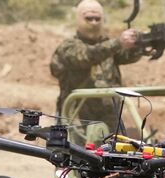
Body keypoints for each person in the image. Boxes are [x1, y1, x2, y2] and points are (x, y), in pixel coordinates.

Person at [50, 0, 143, 131]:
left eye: (97, 18)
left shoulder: (109, 46)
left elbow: (127, 55)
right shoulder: (68, 47)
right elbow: (87, 56)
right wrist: (118, 43)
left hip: (110, 118)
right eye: (89, 18)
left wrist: (139, 44)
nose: (93, 23)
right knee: (75, 151)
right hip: (77, 120)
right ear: (79, 19)